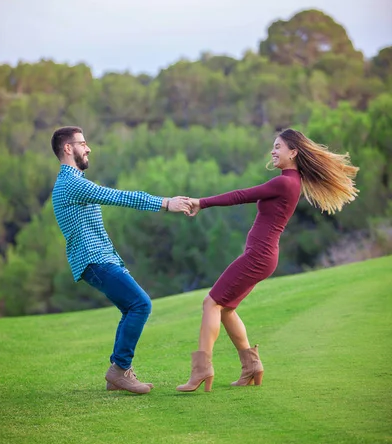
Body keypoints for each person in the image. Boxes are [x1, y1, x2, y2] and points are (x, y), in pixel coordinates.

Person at [177, 128, 359, 392]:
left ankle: (202, 370)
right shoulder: (290, 182)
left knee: (211, 303)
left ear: (293, 152)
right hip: (262, 256)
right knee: (226, 308)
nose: (273, 151)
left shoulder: (285, 182)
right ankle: (251, 367)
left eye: (278, 147)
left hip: (258, 256)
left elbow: (241, 195)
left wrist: (201, 202)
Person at [51, 126, 191, 395]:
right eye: (82, 143)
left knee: (131, 308)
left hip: (100, 259)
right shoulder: (72, 183)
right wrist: (165, 203)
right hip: (95, 260)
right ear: (68, 148)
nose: (88, 147)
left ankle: (118, 374)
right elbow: (118, 196)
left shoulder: (71, 182)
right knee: (140, 304)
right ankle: (119, 370)